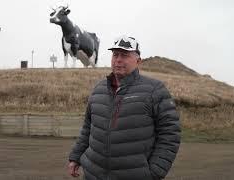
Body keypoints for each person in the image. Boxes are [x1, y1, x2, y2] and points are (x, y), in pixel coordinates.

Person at [67, 35, 181, 180]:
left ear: (138, 60)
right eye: (115, 55)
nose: (118, 60)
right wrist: (76, 157)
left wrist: (154, 172)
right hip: (93, 174)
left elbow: (170, 134)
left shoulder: (155, 90)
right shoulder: (98, 89)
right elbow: (88, 128)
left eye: (125, 55)